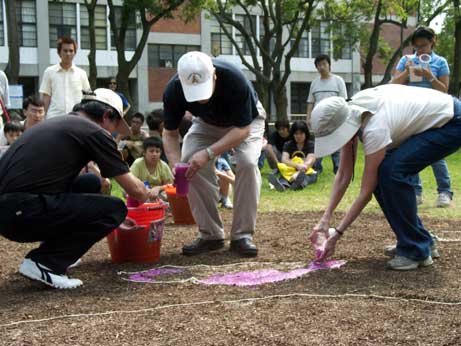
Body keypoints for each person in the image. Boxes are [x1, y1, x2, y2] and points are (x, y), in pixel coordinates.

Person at [0, 88, 159, 289]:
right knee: (115, 208)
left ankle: (55, 251)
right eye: (115, 126)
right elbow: (137, 192)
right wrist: (150, 196)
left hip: (12, 210)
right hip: (22, 212)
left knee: (90, 183)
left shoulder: (61, 123)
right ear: (106, 116)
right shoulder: (94, 131)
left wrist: (95, 211)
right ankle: (45, 262)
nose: (114, 132)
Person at [309, 84, 461, 271]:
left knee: (391, 173)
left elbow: (365, 192)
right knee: (385, 175)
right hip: (431, 121)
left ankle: (416, 249)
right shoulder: (351, 113)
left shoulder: (374, 128)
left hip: (450, 122)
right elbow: (343, 175)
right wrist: (325, 220)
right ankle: (419, 241)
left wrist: (337, 234)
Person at [163, 51, 265, 257]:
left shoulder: (235, 80)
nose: (200, 99)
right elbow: (170, 133)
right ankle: (210, 234)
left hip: (246, 122)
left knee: (247, 163)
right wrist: (176, 166)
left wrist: (209, 153)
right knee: (189, 161)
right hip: (207, 123)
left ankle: (242, 235)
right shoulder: (173, 90)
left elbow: (242, 130)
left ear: (214, 75)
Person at [392, 26, 452, 208]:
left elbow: (444, 90)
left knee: (435, 153)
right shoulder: (406, 60)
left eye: (424, 46)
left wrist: (429, 76)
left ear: (433, 41)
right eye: (417, 47)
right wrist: (407, 71)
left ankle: (444, 192)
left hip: (433, 113)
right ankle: (415, 192)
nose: (420, 50)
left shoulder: (440, 62)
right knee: (411, 151)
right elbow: (393, 84)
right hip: (410, 112)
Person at [306, 54, 348, 174]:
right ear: (316, 68)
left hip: (335, 117)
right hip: (318, 118)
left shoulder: (338, 81)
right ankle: (317, 168)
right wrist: (308, 117)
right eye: (319, 65)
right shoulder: (314, 83)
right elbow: (310, 101)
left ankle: (338, 167)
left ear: (329, 65)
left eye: (324, 64)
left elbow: (343, 101)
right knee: (319, 143)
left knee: (336, 142)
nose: (322, 67)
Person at [39, 37, 91, 119]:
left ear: (75, 53)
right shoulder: (49, 72)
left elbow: (87, 98)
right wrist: (42, 118)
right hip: (54, 118)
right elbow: (46, 97)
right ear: (59, 53)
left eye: (71, 51)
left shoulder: (81, 74)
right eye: (65, 50)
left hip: (76, 119)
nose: (68, 53)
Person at [268, 121, 317, 192]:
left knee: (305, 178)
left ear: (306, 134)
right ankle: (283, 186)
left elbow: (310, 160)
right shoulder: (288, 144)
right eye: (296, 134)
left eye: (301, 133)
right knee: (285, 176)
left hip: (308, 171)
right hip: (291, 170)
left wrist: (299, 172)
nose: (299, 136)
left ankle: (298, 184)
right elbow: (284, 160)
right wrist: (297, 166)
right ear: (293, 134)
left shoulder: (311, 144)